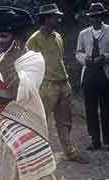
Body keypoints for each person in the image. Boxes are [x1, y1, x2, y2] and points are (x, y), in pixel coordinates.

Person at [0, 6, 57, 180]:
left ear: (17, 39)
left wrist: (10, 60)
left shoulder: (34, 60)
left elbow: (19, 93)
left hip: (22, 129)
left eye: (4, 36)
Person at [26, 3, 87, 163]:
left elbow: (59, 60)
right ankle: (33, 153)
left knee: (65, 121)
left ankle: (70, 152)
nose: (58, 19)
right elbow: (28, 65)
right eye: (55, 16)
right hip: (46, 85)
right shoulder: (34, 40)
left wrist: (66, 83)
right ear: (46, 19)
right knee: (40, 121)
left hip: (63, 83)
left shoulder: (58, 36)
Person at [75, 2, 109, 151]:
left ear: (102, 16)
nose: (96, 19)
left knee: (107, 108)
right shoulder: (83, 34)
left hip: (105, 73)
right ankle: (95, 140)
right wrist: (85, 59)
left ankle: (108, 141)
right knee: (90, 108)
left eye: (98, 16)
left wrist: (105, 57)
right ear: (90, 18)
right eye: (93, 17)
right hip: (89, 74)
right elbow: (78, 53)